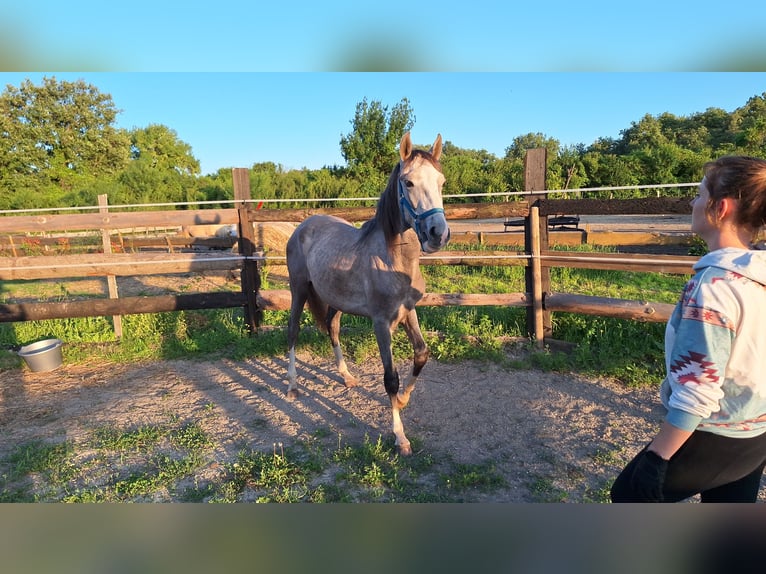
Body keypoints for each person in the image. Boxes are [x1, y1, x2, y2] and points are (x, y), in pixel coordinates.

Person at [611, 155, 766, 502]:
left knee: (627, 495)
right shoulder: (757, 276)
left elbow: (698, 387)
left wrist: (657, 456)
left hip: (717, 432)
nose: (692, 203)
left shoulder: (713, 287)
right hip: (756, 429)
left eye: (698, 195)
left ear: (720, 208)